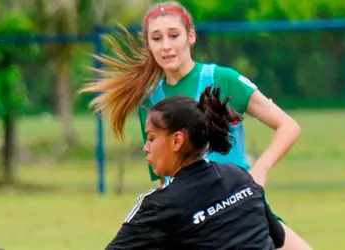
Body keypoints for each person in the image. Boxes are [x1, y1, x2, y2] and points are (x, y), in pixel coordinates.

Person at [80, 1, 311, 249]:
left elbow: (288, 126)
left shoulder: (222, 79)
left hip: (236, 205)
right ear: (148, 45)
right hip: (193, 221)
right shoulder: (151, 103)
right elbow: (163, 178)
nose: (166, 45)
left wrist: (260, 171)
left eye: (174, 35)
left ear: (191, 36)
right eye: (156, 38)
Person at [105, 86, 285, 250]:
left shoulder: (159, 205)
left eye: (151, 138)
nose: (146, 147)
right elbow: (278, 237)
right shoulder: (239, 176)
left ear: (177, 141)